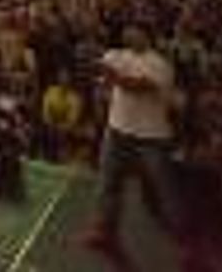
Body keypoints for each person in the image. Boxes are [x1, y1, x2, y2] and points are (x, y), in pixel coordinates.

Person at [82, 22, 199, 266]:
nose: (128, 33)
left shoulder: (159, 64)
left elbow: (136, 87)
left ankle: (188, 243)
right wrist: (100, 72)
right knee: (107, 182)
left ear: (147, 36)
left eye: (135, 30)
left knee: (165, 190)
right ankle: (104, 231)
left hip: (151, 136)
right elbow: (103, 82)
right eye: (127, 29)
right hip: (117, 130)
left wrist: (106, 71)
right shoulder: (115, 55)